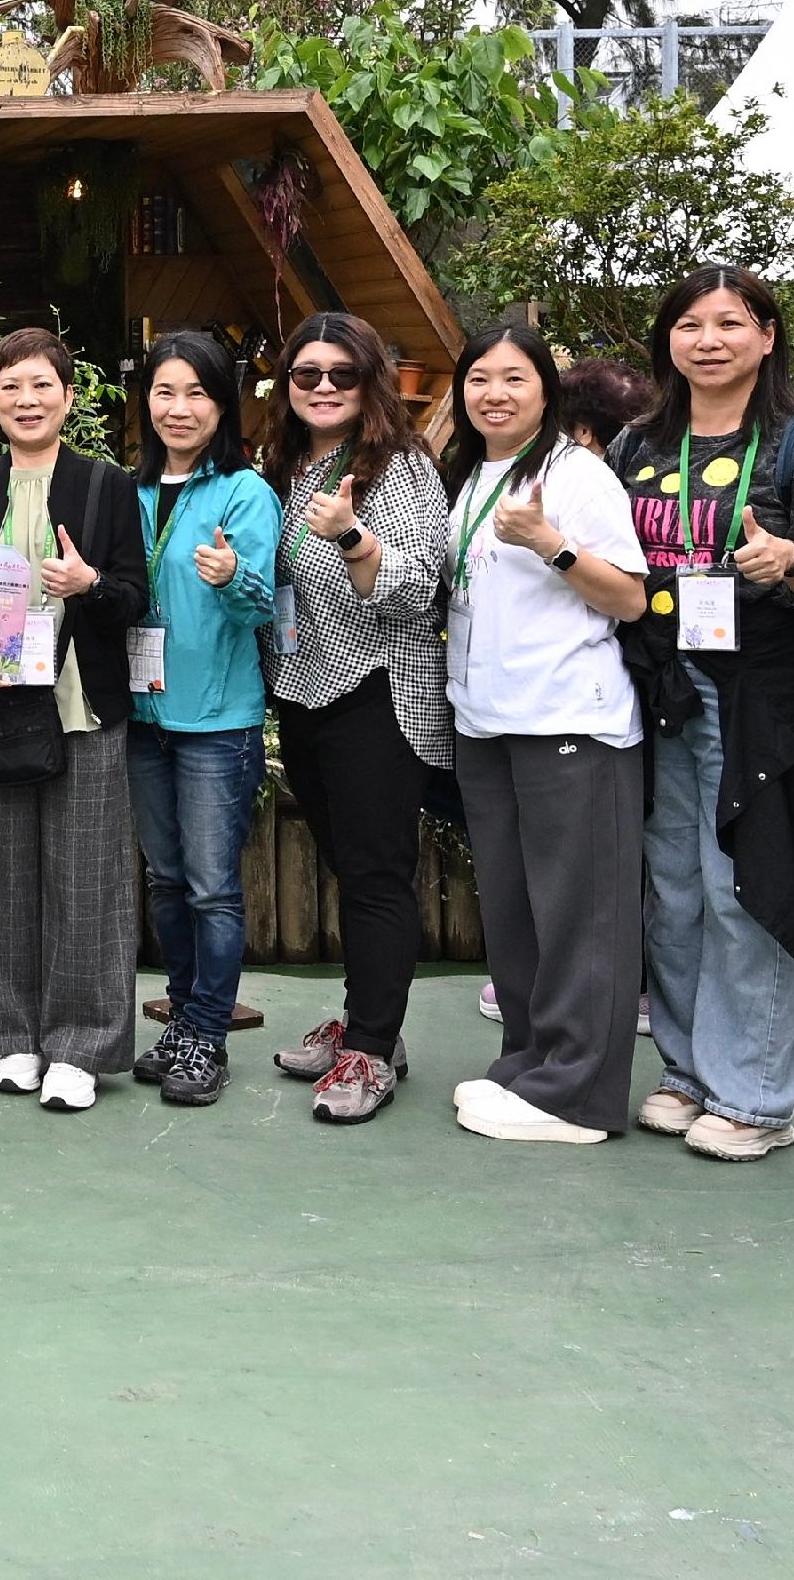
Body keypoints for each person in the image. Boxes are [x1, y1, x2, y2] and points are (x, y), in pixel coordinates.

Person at [611, 266, 794, 1164]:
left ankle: (758, 1097)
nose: (709, 340)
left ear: (768, 337)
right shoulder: (635, 445)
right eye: (690, 324)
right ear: (668, 341)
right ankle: (686, 1072)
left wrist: (790, 559)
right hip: (658, 689)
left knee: (743, 887)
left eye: (731, 323)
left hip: (761, 694)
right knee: (674, 889)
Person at [0, 328, 146, 1113]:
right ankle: (12, 1036)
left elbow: (134, 596)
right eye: (11, 386)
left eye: (42, 384)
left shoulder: (105, 486)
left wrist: (88, 583)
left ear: (69, 397)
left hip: (83, 707)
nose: (27, 399)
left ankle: (80, 1046)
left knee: (89, 881)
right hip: (0, 704)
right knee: (3, 876)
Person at [436, 321, 654, 1144]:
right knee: (521, 908)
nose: (495, 393)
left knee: (581, 913)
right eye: (480, 378)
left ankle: (579, 1095)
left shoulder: (580, 476)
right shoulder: (473, 475)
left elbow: (630, 598)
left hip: (570, 715)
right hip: (488, 717)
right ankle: (529, 1062)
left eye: (515, 379)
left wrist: (552, 545)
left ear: (546, 391)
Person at [258, 311, 453, 1125]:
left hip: (377, 692)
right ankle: (372, 1022)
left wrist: (353, 538)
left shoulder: (398, 469)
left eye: (343, 374)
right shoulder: (284, 465)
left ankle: (371, 1048)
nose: (325, 387)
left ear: (372, 381)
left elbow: (418, 587)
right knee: (348, 864)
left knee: (376, 876)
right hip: (303, 690)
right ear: (286, 386)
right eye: (308, 375)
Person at [117, 329, 281, 1106]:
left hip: (217, 721)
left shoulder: (246, 494)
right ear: (145, 401)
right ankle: (182, 1021)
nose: (178, 409)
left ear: (224, 405)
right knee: (165, 879)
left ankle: (207, 1037)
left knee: (212, 888)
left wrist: (232, 573)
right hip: (142, 716)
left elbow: (261, 608)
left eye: (197, 394)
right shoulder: (129, 491)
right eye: (164, 392)